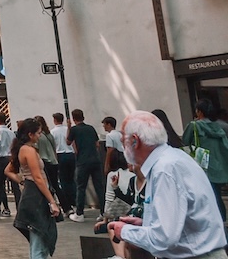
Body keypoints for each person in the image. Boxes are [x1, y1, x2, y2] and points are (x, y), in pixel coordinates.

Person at [109, 110, 227, 259]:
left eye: (122, 139)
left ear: (135, 140)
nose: (122, 146)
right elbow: (175, 224)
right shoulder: (170, 160)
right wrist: (146, 224)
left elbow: (164, 238)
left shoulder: (165, 169)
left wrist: (124, 231)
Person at [5, 118, 61, 259]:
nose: (40, 135)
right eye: (38, 133)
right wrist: (52, 201)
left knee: (40, 241)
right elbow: (37, 177)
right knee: (38, 241)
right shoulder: (28, 150)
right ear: (30, 134)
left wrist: (22, 180)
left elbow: (8, 170)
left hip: (33, 194)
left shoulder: (24, 149)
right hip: (36, 196)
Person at [183, 98, 228, 222]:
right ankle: (222, 221)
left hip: (202, 167)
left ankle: (214, 222)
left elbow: (185, 143)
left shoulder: (193, 126)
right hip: (220, 167)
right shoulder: (222, 126)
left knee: (207, 196)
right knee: (217, 194)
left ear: (199, 111)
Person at [67, 109, 104, 222]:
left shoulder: (74, 130)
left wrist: (68, 127)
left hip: (83, 161)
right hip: (95, 159)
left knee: (81, 187)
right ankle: (103, 212)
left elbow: (68, 142)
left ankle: (80, 213)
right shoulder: (91, 128)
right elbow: (97, 144)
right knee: (99, 187)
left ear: (74, 119)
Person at [93, 149, 135, 234]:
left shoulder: (112, 175)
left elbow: (109, 198)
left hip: (121, 213)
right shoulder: (134, 175)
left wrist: (105, 219)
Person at [50, 113, 75, 215]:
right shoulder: (67, 130)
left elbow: (53, 146)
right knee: (71, 179)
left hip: (60, 155)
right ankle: (74, 201)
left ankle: (67, 202)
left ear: (55, 120)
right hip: (70, 154)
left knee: (63, 180)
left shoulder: (52, 132)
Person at [33, 116, 59, 209]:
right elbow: (54, 148)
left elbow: (36, 150)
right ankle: (66, 207)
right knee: (56, 185)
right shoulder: (49, 134)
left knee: (48, 185)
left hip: (45, 161)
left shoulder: (39, 137)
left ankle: (52, 204)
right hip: (53, 161)